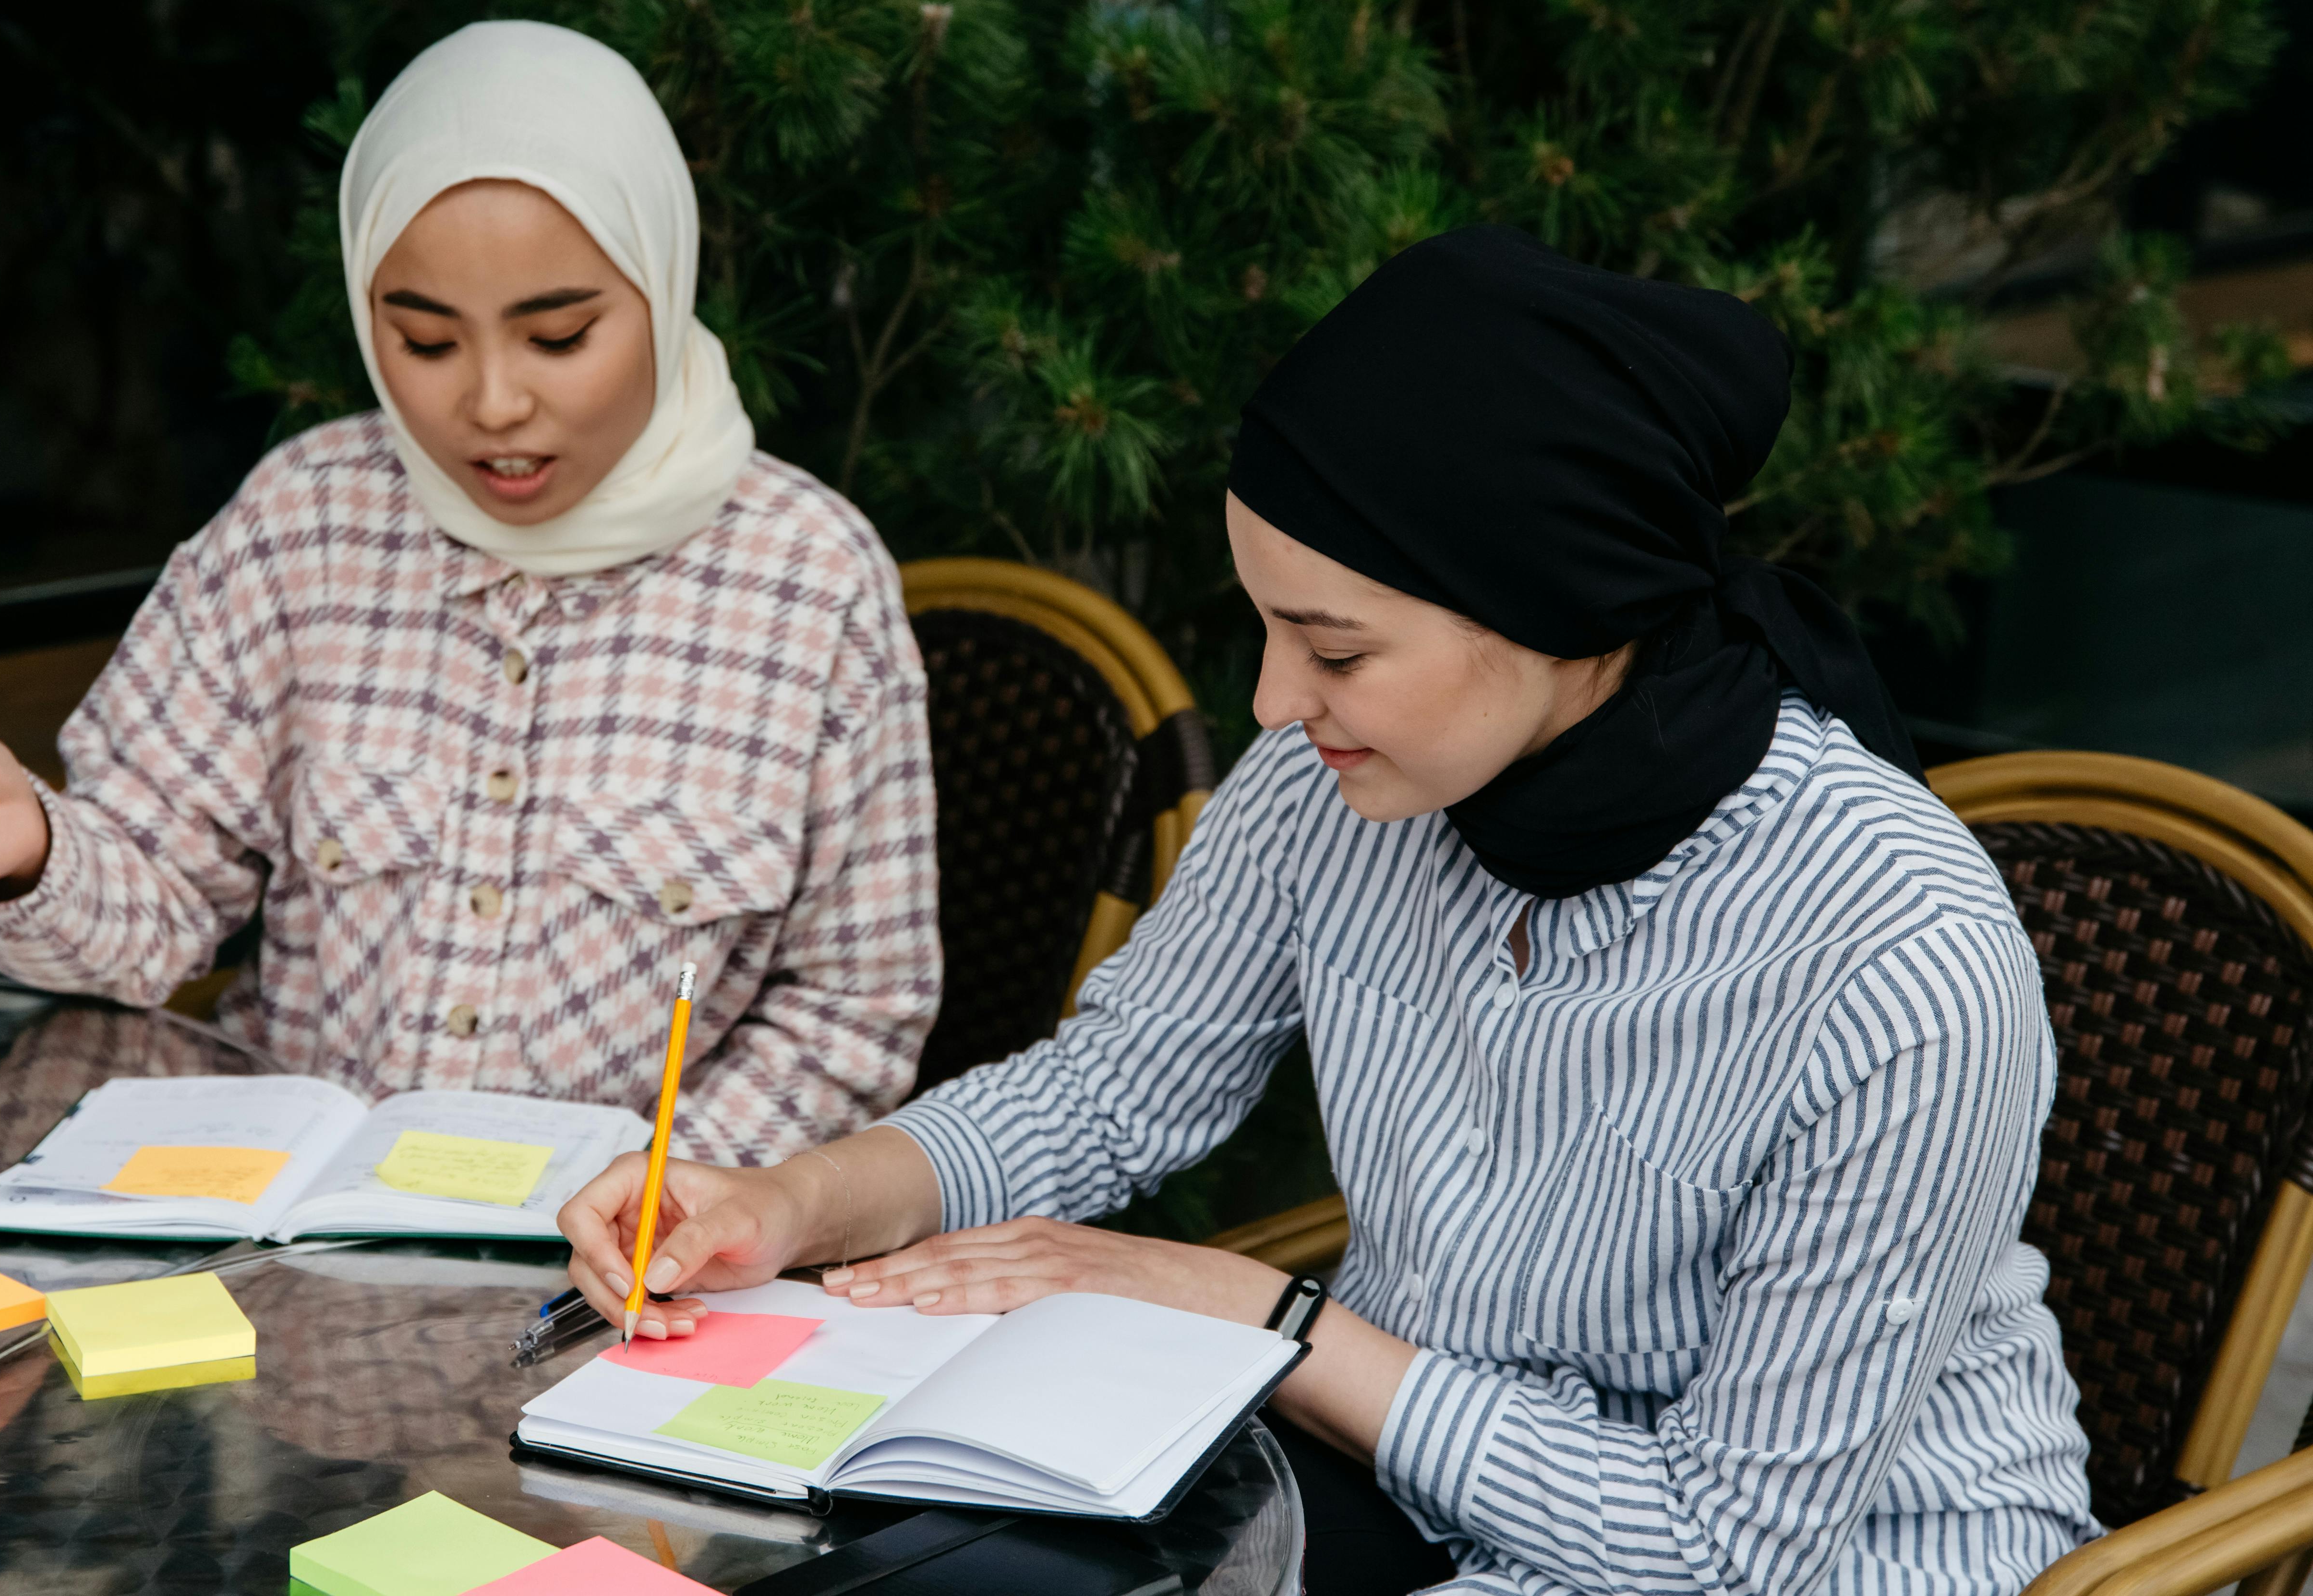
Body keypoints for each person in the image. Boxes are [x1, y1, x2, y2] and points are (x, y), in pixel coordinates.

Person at [557, 227, 2098, 1593]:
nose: (1276, 702)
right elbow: (1111, 1091)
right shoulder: (1334, 794)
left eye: (1336, 650)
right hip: (1415, 1484)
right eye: (1267, 627)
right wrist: (784, 1204)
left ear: (1561, 607)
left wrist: (1272, 1320)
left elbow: (1720, 1544)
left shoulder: (1901, 963)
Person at [0, 21, 940, 1164]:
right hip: (288, 1249)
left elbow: (854, 1013)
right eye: (424, 342)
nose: (495, 403)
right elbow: (153, 914)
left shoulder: (812, 584)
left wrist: (650, 1198)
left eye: (559, 337)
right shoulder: (302, 525)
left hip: (624, 1284)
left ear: (664, 283)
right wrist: (26, 847)